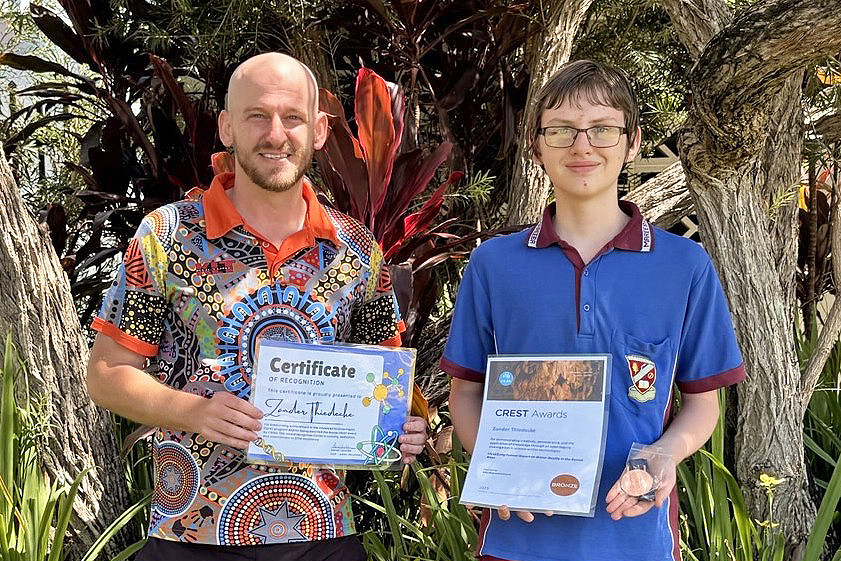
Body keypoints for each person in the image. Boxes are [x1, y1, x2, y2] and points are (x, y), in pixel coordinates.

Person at [86, 52, 427, 560]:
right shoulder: (165, 236)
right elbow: (106, 374)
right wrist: (192, 411)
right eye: (256, 116)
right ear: (226, 127)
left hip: (325, 535)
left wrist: (403, 426)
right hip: (195, 531)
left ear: (318, 130)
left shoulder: (357, 250)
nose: (275, 133)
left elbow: (388, 384)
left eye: (292, 117)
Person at [441, 59, 745, 561]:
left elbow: (701, 402)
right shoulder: (493, 265)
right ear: (537, 147)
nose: (582, 146)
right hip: (516, 542)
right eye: (561, 131)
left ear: (633, 141)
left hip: (637, 541)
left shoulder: (684, 266)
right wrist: (499, 466)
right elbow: (466, 394)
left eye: (602, 129)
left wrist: (664, 455)